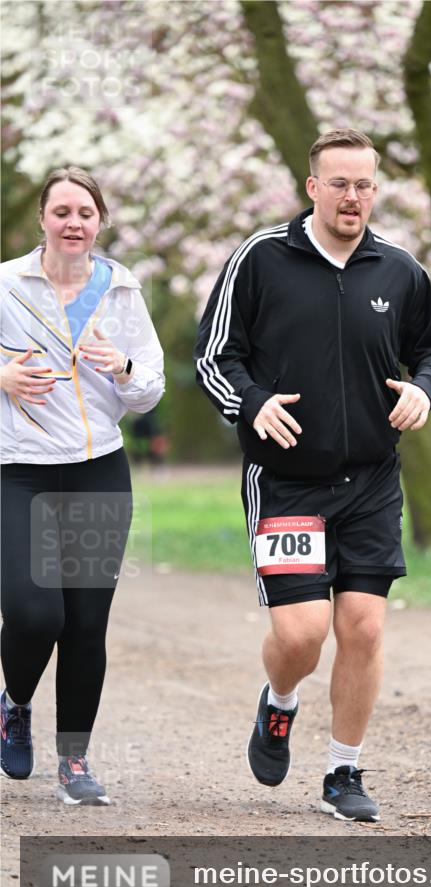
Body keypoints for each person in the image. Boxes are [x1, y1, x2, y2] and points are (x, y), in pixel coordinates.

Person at [195, 129, 431, 822]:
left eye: (365, 184)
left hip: (371, 479)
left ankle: (343, 771)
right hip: (285, 480)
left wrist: (423, 391)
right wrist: (251, 404)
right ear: (312, 187)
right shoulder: (261, 259)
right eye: (339, 183)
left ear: (376, 189)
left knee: (364, 628)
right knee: (301, 635)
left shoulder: (398, 270)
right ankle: (279, 703)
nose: (353, 197)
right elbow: (213, 358)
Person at [0, 166, 165, 804]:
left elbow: (149, 389)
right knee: (35, 612)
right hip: (20, 471)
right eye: (62, 211)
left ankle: (74, 764)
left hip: (99, 471)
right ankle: (14, 703)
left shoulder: (120, 289)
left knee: (86, 623)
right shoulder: (9, 283)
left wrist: (120, 365)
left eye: (86, 213)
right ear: (42, 218)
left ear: (100, 222)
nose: (74, 223)